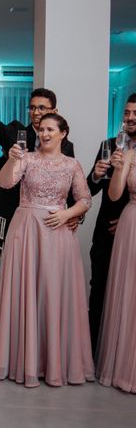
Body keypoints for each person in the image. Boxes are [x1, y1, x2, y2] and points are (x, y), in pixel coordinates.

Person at [0, 114, 94, 387]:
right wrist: (13, 159)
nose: (45, 133)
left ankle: (54, 362)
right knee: (24, 291)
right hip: (25, 230)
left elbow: (85, 198)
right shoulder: (26, 158)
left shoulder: (72, 164)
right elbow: (4, 183)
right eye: (42, 129)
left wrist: (67, 214)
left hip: (57, 232)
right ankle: (22, 362)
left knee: (53, 293)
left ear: (63, 133)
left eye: (51, 129)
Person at [0, 69, 75, 226]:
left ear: (54, 111)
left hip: (48, 217)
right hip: (12, 213)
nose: (36, 112)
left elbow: (70, 181)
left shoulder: (65, 145)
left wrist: (73, 214)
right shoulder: (17, 133)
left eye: (42, 108)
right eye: (32, 108)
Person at [86, 95, 136, 355]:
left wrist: (129, 222)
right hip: (106, 231)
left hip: (132, 232)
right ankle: (94, 354)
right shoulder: (109, 144)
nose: (130, 118)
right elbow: (90, 188)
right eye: (127, 113)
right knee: (100, 291)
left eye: (135, 113)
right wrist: (96, 174)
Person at [95, 131, 136, 393]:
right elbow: (113, 194)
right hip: (132, 224)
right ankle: (124, 367)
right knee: (128, 293)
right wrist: (119, 168)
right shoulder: (129, 153)